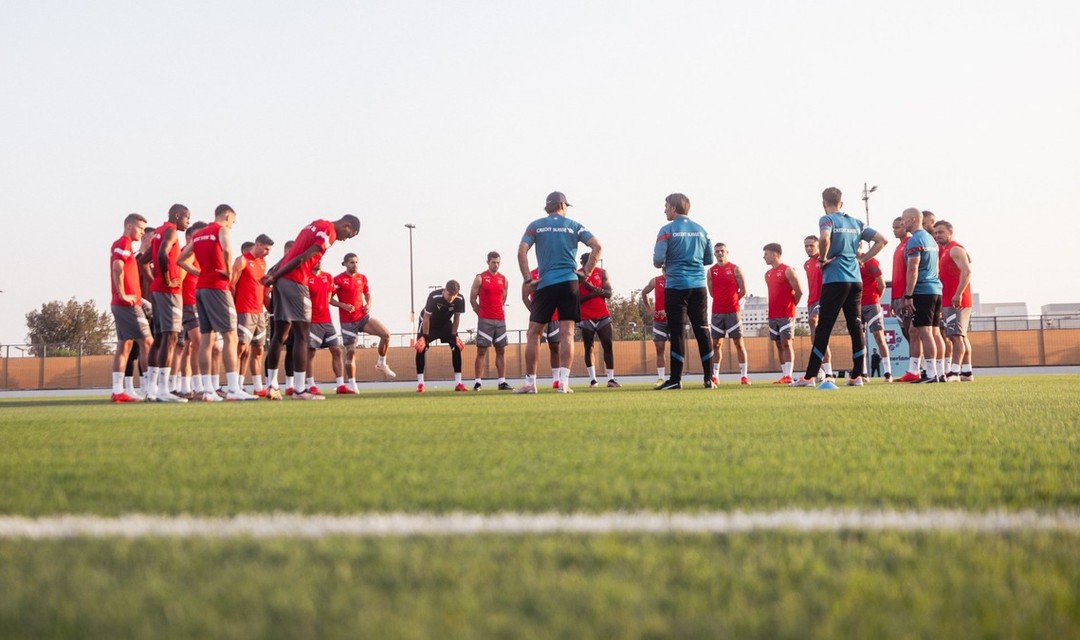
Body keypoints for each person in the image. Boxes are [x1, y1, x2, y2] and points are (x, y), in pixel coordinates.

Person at [793, 187, 887, 388]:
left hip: (835, 280)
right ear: (841, 203)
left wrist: (822, 258)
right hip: (856, 281)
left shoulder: (827, 220)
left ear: (823, 203)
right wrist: (862, 259)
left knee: (824, 327)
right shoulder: (856, 222)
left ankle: (809, 377)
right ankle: (857, 375)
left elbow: (824, 238)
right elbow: (882, 240)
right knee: (855, 326)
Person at [261, 215, 360, 401]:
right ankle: (299, 390)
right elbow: (301, 258)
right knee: (302, 335)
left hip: (282, 281)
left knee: (279, 334)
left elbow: (290, 254)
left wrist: (273, 272)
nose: (345, 239)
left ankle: (272, 385)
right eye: (349, 234)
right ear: (346, 225)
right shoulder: (328, 232)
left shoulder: (314, 224)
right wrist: (275, 275)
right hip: (295, 281)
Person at [516, 191, 602, 394]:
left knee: (534, 333)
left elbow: (521, 250)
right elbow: (597, 245)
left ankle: (530, 383)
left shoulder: (536, 225)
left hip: (545, 284)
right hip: (569, 283)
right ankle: (563, 383)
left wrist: (528, 278)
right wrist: (586, 272)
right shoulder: (573, 225)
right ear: (562, 205)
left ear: (548, 207)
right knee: (567, 333)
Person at [178, 204, 255, 401]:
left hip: (201, 290)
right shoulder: (221, 230)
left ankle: (208, 391)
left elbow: (181, 259)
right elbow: (228, 250)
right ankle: (233, 388)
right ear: (227, 216)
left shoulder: (199, 234)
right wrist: (229, 272)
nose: (232, 226)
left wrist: (199, 272)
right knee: (231, 336)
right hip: (218, 288)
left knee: (206, 339)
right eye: (233, 222)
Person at [652, 193, 714, 390]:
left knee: (677, 333)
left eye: (665, 206)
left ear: (673, 207)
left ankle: (676, 380)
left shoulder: (667, 230)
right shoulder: (702, 230)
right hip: (698, 287)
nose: (664, 210)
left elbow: (657, 261)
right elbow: (708, 259)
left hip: (676, 287)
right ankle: (709, 379)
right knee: (703, 331)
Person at [142, 204, 190, 402]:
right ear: (177, 215)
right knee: (170, 337)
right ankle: (163, 390)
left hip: (158, 290)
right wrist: (167, 278)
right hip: (169, 291)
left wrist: (154, 279)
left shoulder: (159, 232)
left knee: (161, 338)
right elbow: (162, 254)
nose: (188, 222)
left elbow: (143, 260)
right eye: (187, 218)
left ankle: (152, 389)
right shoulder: (170, 231)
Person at [334, 252, 396, 394]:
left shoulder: (362, 278)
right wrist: (342, 305)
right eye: (351, 262)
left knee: (386, 334)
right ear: (344, 264)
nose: (354, 265)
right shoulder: (338, 280)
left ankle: (381, 363)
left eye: (356, 262)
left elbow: (368, 293)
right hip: (348, 322)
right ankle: (352, 384)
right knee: (351, 353)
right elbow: (329, 298)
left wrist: (368, 304)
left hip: (362, 317)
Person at [109, 213, 153, 402]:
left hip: (126, 303)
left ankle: (118, 390)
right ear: (129, 227)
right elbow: (117, 268)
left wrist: (141, 299)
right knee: (148, 342)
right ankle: (150, 388)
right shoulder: (123, 244)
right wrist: (123, 294)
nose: (142, 233)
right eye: (140, 228)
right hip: (127, 304)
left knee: (125, 345)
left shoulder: (124, 245)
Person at [900, 207, 943, 383]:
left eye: (903, 219)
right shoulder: (931, 240)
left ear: (911, 219)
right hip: (935, 289)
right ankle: (933, 372)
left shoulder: (915, 240)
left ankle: (932, 374)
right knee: (926, 331)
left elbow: (913, 268)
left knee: (926, 332)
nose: (902, 223)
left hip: (923, 290)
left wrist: (908, 295)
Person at [232, 234, 273, 396]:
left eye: (269, 250)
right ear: (257, 244)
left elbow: (262, 289)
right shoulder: (242, 261)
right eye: (266, 249)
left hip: (259, 313)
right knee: (241, 348)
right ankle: (234, 385)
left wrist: (270, 309)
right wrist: (234, 307)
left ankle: (258, 387)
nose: (267, 252)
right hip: (244, 311)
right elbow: (231, 284)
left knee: (258, 350)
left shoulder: (262, 263)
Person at [933, 220, 974, 381]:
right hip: (950, 300)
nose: (937, 235)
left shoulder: (955, 249)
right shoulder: (944, 250)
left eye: (940, 232)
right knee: (961, 336)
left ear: (950, 232)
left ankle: (954, 372)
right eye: (935, 233)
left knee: (956, 337)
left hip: (957, 300)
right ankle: (967, 372)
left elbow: (967, 270)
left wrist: (958, 294)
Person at [707, 242, 750, 385]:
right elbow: (712, 292)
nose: (719, 253)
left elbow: (743, 290)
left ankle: (744, 376)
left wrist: (733, 301)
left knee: (738, 343)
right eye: (717, 251)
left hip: (733, 312)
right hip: (717, 312)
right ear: (714, 254)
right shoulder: (711, 271)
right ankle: (715, 376)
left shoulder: (735, 269)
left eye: (722, 251)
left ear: (727, 252)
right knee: (716, 344)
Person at [470, 251, 512, 391]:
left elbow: (503, 299)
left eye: (498, 262)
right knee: (481, 351)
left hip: (500, 320)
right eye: (493, 262)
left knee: (501, 350)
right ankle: (477, 382)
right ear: (488, 262)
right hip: (485, 321)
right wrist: (480, 313)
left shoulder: (504, 279)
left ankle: (502, 382)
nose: (496, 265)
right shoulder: (480, 278)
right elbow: (472, 299)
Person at [415, 280, 467, 392]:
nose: (451, 298)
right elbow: (426, 317)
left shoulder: (460, 299)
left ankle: (458, 383)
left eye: (454, 296)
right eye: (449, 295)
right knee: (421, 348)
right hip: (428, 323)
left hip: (445, 324)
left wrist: (454, 336)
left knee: (456, 347)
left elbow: (456, 318)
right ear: (444, 290)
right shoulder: (434, 297)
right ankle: (420, 384)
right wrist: (425, 336)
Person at [577, 252, 619, 388]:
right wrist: (591, 294)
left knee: (608, 344)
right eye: (587, 262)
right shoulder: (576, 275)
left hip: (603, 316)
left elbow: (609, 293)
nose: (590, 264)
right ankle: (593, 379)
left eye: (593, 261)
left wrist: (593, 289)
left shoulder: (602, 273)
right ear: (582, 263)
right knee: (588, 347)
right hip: (586, 317)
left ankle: (611, 379)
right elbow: (574, 300)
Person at [763, 243, 801, 384]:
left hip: (786, 313)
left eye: (766, 254)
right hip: (773, 314)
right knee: (778, 343)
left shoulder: (788, 270)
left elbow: (799, 291)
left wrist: (791, 306)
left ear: (775, 254)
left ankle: (789, 375)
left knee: (786, 343)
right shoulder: (767, 274)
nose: (764, 257)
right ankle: (784, 375)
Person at [891, 216, 922, 383]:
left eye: (897, 227)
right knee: (906, 332)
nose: (894, 230)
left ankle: (916, 369)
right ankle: (915, 368)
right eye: (893, 227)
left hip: (906, 295)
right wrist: (893, 298)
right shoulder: (898, 247)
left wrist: (906, 295)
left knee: (913, 332)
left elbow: (911, 270)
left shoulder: (909, 244)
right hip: (896, 296)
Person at [305, 261, 343, 396]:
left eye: (321, 259)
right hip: (313, 322)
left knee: (337, 351)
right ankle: (311, 385)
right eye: (316, 259)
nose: (319, 262)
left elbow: (329, 298)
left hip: (327, 321)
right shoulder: (306, 277)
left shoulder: (328, 277)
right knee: (310, 353)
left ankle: (340, 385)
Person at [523, 266, 563, 389]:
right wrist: (535, 312)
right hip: (539, 319)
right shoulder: (532, 274)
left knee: (555, 347)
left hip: (555, 318)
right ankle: (530, 380)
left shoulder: (555, 272)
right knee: (535, 346)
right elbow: (524, 297)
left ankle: (557, 379)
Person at [802, 235, 833, 380]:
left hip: (824, 299)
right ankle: (822, 369)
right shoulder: (807, 264)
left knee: (813, 322)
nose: (808, 248)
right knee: (817, 337)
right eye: (806, 246)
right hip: (811, 302)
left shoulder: (825, 259)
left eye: (811, 246)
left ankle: (828, 371)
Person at [859, 245, 892, 381]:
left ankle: (887, 373)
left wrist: (875, 298)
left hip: (871, 304)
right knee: (859, 340)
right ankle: (863, 373)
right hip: (855, 305)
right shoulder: (847, 261)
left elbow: (881, 284)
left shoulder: (871, 261)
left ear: (860, 245)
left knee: (879, 337)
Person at [922, 210, 949, 378]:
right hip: (936, 290)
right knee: (935, 332)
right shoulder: (931, 242)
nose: (923, 226)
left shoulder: (938, 244)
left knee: (938, 332)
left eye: (925, 223)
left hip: (933, 291)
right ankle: (939, 371)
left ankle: (940, 371)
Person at [640, 270, 668, 387]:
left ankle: (676, 377)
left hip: (675, 320)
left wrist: (668, 312)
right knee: (659, 348)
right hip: (659, 322)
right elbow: (644, 292)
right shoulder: (656, 280)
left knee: (676, 349)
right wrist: (649, 309)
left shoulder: (678, 279)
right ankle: (661, 378)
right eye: (664, 269)